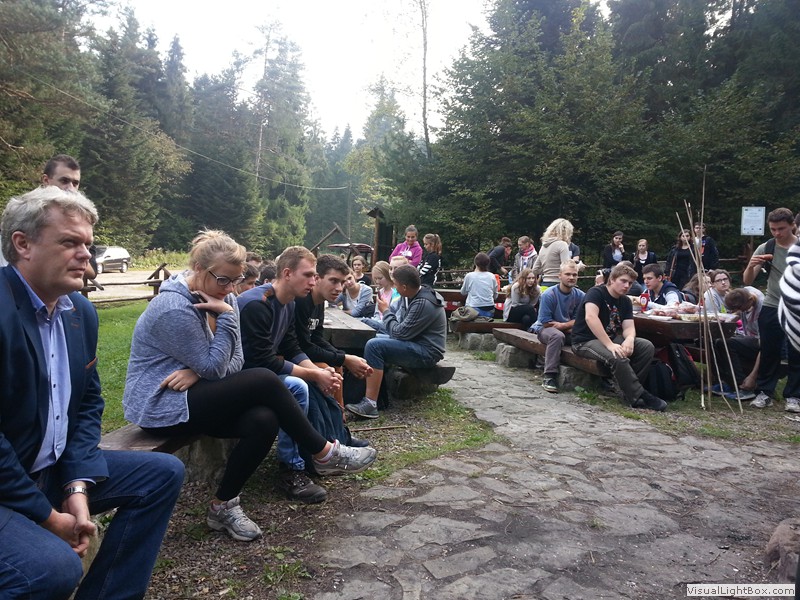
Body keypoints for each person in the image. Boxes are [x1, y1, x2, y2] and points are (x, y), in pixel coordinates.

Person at [124, 232, 375, 541]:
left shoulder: (222, 295)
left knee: (263, 419)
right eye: (223, 279)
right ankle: (324, 452)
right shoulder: (175, 308)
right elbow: (218, 368)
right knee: (264, 378)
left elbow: (236, 360)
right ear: (198, 268)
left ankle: (222, 506)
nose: (230, 289)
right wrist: (226, 324)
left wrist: (199, 371)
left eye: (236, 280)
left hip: (194, 395)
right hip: (161, 405)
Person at [1, 186, 185, 598]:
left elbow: (86, 404)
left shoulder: (78, 312)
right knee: (52, 568)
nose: (86, 255)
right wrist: (48, 516)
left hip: (46, 471)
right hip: (7, 484)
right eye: (70, 242)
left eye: (88, 243)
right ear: (23, 244)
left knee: (162, 474)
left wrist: (77, 486)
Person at [238, 246, 354, 503]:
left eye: (315, 276)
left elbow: (291, 347)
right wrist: (314, 375)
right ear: (288, 273)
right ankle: (292, 468)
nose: (313, 281)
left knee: (317, 374)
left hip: (262, 373)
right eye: (309, 275)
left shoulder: (288, 303)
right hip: (239, 377)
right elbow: (262, 361)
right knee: (298, 386)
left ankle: (332, 439)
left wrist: (318, 371)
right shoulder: (258, 305)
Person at [346, 265, 447, 419]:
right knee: (370, 338)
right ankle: (366, 395)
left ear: (404, 287)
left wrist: (386, 311)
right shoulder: (411, 296)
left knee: (374, 346)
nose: (394, 287)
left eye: (396, 284)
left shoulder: (422, 302)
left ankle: (370, 404)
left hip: (427, 352)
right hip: (414, 342)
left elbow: (399, 333)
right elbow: (397, 327)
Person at [571, 263, 667, 411]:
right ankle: (639, 395)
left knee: (646, 346)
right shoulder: (596, 293)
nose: (627, 286)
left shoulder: (625, 301)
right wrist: (610, 345)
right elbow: (591, 318)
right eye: (623, 281)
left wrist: (629, 339)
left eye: (630, 283)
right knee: (617, 355)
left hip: (611, 338)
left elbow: (628, 327)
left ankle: (629, 391)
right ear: (612, 279)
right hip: (584, 341)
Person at [742, 207, 800, 412]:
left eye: (781, 229)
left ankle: (794, 396)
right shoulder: (766, 247)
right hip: (772, 304)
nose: (777, 233)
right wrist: (751, 266)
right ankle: (765, 392)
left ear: (792, 225)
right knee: (769, 351)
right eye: (773, 229)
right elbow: (747, 281)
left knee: (796, 353)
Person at [1, 154, 84, 268]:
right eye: (64, 181)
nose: (70, 188)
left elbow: (92, 269)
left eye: (75, 183)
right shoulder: (23, 212)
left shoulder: (80, 218)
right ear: (46, 180)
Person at [531, 260, 585, 393]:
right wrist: (569, 325)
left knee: (588, 335)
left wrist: (564, 325)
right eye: (568, 274)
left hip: (567, 330)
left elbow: (580, 320)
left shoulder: (581, 296)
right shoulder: (549, 294)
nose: (571, 277)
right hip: (545, 330)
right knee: (557, 336)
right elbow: (546, 322)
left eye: (574, 275)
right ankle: (549, 376)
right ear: (559, 276)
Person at [712, 287, 763, 401]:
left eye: (740, 308)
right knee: (717, 341)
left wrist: (752, 376)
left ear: (750, 301)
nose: (739, 311)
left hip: (763, 343)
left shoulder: (762, 310)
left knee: (726, 343)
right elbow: (738, 312)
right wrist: (729, 318)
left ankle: (743, 385)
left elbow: (765, 347)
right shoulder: (745, 292)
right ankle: (728, 383)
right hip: (749, 337)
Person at [532, 218, 574, 287]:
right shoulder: (562, 244)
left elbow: (535, 269)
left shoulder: (543, 247)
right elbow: (567, 268)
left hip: (544, 284)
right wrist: (578, 267)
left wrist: (547, 270)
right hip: (558, 285)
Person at [460, 252, 498, 318]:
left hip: (473, 310)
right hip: (489, 309)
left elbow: (463, 292)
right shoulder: (492, 276)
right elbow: (495, 296)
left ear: (475, 263)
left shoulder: (469, 276)